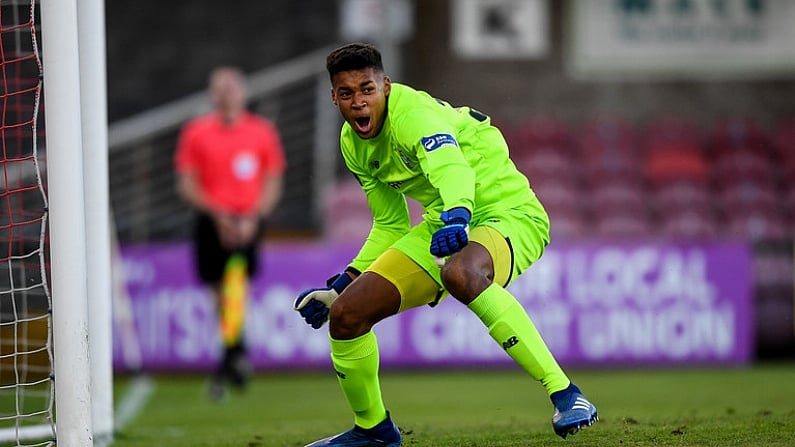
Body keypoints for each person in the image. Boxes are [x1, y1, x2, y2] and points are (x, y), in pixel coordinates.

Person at [293, 42, 597, 446]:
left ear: (385, 85)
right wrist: (342, 283)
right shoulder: (353, 144)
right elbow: (389, 223)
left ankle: (567, 394)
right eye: (346, 94)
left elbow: (453, 170)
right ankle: (374, 431)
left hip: (507, 212)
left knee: (460, 272)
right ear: (334, 98)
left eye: (367, 89)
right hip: (446, 220)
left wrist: (457, 215)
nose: (359, 104)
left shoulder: (415, 116)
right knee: (347, 316)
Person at [174, 66, 286, 400]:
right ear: (212, 94)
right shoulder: (196, 132)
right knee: (217, 293)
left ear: (243, 93)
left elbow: (272, 180)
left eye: (232, 87)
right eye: (220, 88)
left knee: (236, 285)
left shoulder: (262, 132)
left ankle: (230, 358)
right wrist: (218, 214)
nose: (226, 94)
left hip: (248, 220)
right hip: (211, 220)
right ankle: (235, 351)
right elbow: (187, 183)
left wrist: (254, 216)